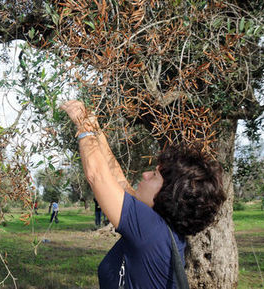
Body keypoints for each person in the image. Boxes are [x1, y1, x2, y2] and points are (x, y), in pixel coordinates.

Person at [61, 100, 226, 289]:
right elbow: (119, 181)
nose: (145, 175)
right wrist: (97, 131)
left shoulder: (151, 231)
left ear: (168, 194)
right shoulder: (162, 227)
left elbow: (97, 176)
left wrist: (84, 126)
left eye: (154, 175)